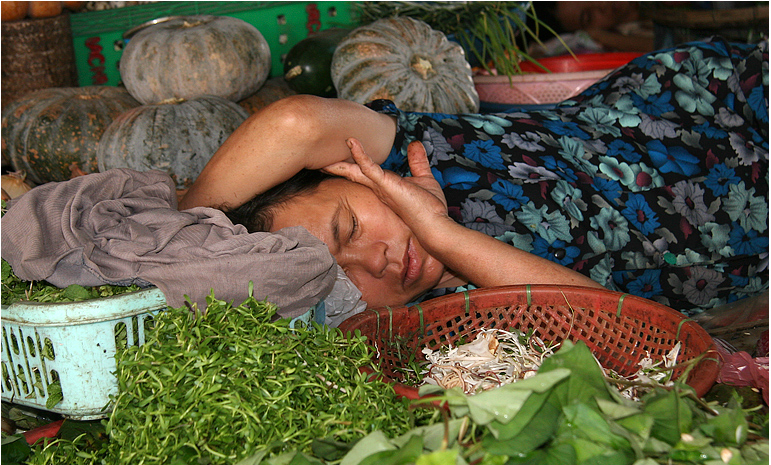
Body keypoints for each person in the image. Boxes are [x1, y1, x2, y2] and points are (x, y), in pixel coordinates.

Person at [179, 38, 768, 315]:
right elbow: (621, 324)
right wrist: (444, 237)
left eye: (351, 227)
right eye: (343, 284)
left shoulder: (414, 153)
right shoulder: (448, 322)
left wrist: (188, 234)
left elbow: (293, 120)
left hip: (710, 106)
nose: (374, 262)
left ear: (354, 174)